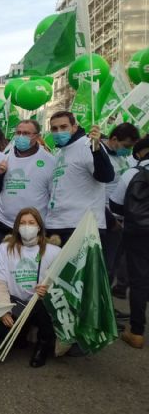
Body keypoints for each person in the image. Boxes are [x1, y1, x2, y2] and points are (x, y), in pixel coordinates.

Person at [0, 208, 61, 367]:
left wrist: (48, 290)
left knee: (45, 308)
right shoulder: (5, 248)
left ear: (39, 226)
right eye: (22, 223)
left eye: (31, 223)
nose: (27, 226)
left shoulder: (54, 251)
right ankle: (22, 332)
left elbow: (62, 283)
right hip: (16, 304)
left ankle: (43, 345)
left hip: (39, 305)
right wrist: (3, 309)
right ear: (16, 227)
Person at [46, 111, 114, 245]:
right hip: (57, 225)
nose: (59, 132)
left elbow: (106, 175)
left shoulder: (87, 145)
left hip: (81, 226)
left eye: (64, 127)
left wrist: (97, 149)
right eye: (54, 128)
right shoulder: (60, 152)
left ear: (74, 127)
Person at [0, 120, 56, 244]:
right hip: (5, 224)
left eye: (26, 133)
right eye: (18, 133)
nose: (21, 136)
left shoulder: (50, 161)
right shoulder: (5, 156)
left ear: (37, 136)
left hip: (33, 227)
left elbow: (54, 195)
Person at [110, 135, 149, 349]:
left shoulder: (132, 173)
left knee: (139, 281)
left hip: (138, 234)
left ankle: (136, 331)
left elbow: (115, 205)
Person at [100, 123, 139, 287]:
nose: (128, 151)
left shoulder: (120, 157)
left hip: (120, 221)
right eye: (126, 146)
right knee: (103, 266)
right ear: (114, 139)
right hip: (105, 220)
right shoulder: (99, 154)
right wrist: (110, 220)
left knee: (112, 267)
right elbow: (95, 193)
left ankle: (106, 304)